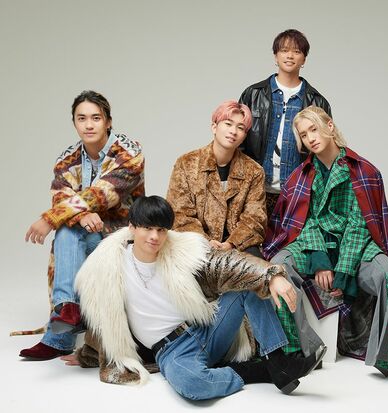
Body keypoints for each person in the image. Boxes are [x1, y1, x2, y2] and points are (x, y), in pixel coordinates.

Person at [69, 196, 325, 400]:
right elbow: (104, 316)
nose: (154, 237)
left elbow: (228, 264)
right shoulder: (111, 265)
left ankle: (278, 363)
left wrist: (271, 275)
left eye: (161, 230)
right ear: (132, 228)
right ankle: (257, 372)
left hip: (206, 328)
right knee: (193, 384)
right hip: (172, 351)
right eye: (147, 228)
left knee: (248, 284)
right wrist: (85, 354)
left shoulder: (180, 253)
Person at [264, 106, 388, 395]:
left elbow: (359, 224)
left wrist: (342, 270)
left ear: (329, 126)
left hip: (355, 246)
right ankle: (296, 352)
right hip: (313, 245)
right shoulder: (301, 176)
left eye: (314, 129)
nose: (310, 138)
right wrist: (320, 261)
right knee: (278, 266)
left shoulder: (364, 171)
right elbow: (305, 222)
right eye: (303, 135)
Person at [19, 90, 145, 360]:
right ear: (74, 123)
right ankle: (66, 312)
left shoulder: (129, 153)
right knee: (68, 229)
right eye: (82, 118)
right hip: (85, 235)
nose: (89, 125)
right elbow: (60, 196)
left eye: (96, 118)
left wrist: (50, 218)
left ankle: (60, 334)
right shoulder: (67, 159)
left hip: (122, 235)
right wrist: (79, 216)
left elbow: (104, 193)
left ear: (108, 122)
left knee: (65, 225)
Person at [239, 29, 331, 217]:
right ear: (275, 56)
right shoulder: (253, 94)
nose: (290, 56)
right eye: (284, 50)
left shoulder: (317, 102)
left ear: (304, 59)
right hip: (254, 192)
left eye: (297, 51)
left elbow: (326, 153)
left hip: (298, 194)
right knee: (250, 236)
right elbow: (237, 141)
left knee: (291, 238)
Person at [166, 100, 266, 257]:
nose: (233, 131)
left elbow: (255, 218)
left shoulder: (254, 171)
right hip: (196, 242)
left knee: (260, 267)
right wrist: (206, 241)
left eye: (240, 128)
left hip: (237, 245)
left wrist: (231, 243)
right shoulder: (186, 163)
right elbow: (180, 215)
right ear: (214, 127)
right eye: (228, 124)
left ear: (244, 136)